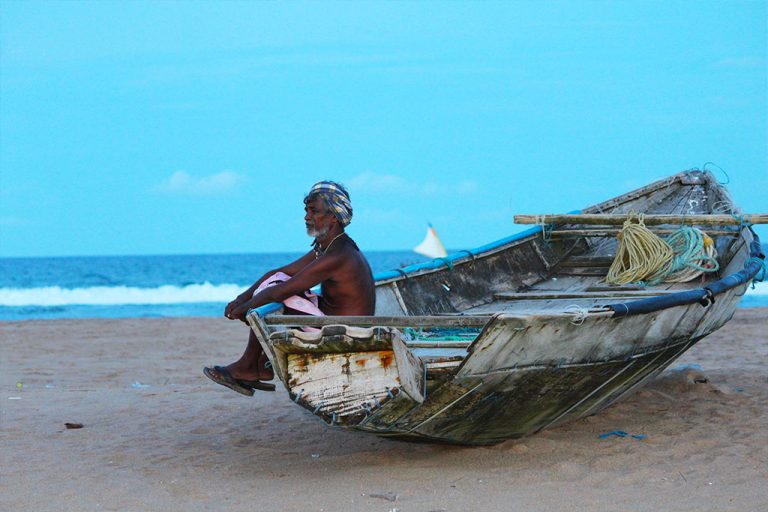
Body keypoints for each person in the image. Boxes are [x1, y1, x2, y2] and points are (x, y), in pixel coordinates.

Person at [204, 181, 376, 396]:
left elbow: (280, 291)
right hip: (334, 323)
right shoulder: (328, 247)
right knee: (275, 283)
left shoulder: (338, 255)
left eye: (314, 211)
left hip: (344, 334)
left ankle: (250, 366)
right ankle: (258, 366)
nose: (307, 217)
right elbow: (280, 272)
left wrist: (247, 308)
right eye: (306, 211)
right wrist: (241, 299)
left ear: (334, 216)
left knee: (276, 291)